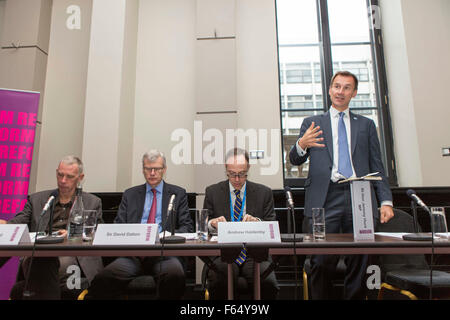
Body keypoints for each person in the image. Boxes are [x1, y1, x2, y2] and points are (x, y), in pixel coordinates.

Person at [289, 71, 394, 299]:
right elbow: (295, 159)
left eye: (347, 88)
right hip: (325, 198)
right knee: (320, 260)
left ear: (354, 93)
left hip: (361, 196)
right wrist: (301, 144)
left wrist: (385, 200)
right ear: (329, 90)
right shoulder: (312, 123)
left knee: (362, 260)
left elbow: (377, 165)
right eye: (337, 86)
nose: (340, 91)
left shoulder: (366, 125)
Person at [87, 150, 194, 299]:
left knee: (174, 274)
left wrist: (166, 236)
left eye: (156, 169)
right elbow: (118, 225)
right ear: (142, 169)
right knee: (103, 278)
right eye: (147, 168)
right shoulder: (130, 194)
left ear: (164, 170)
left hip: (164, 255)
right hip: (133, 255)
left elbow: (186, 227)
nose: (152, 173)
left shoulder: (177, 194)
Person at [0, 155, 103, 299]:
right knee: (40, 259)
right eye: (60, 175)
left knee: (42, 264)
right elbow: (17, 223)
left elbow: (97, 233)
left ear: (80, 177)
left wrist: (73, 234)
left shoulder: (92, 202)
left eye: (69, 177)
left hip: (71, 256)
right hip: (39, 253)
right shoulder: (38, 200)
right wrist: (4, 224)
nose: (63, 181)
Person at [203, 147, 279, 300]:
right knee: (221, 280)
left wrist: (257, 222)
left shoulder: (264, 193)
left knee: (267, 283)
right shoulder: (213, 192)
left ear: (249, 168)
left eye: (242, 174)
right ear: (226, 169)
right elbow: (203, 226)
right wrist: (213, 223)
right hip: (223, 253)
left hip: (255, 254)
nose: (237, 179)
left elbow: (272, 225)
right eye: (232, 174)